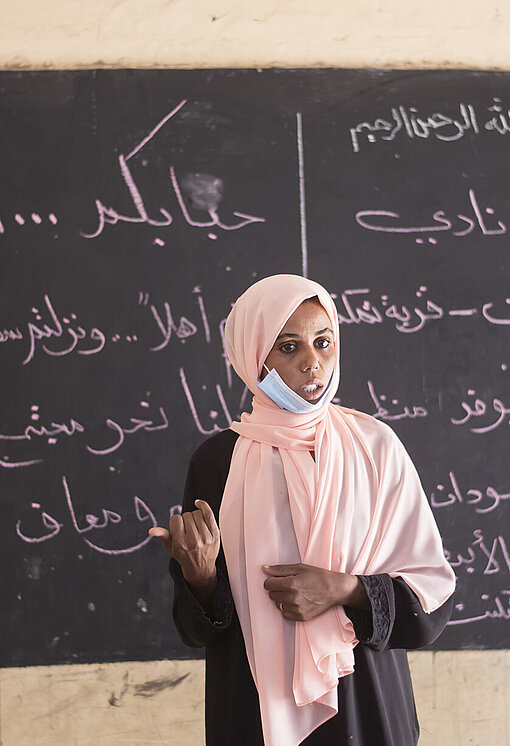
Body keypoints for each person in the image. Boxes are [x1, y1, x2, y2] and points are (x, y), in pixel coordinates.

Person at [149, 274, 456, 746]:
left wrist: (343, 589)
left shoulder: (376, 448)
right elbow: (198, 630)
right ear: (255, 356)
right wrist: (200, 577)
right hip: (253, 708)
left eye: (323, 341)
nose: (312, 363)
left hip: (366, 705)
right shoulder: (216, 463)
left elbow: (430, 604)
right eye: (288, 347)